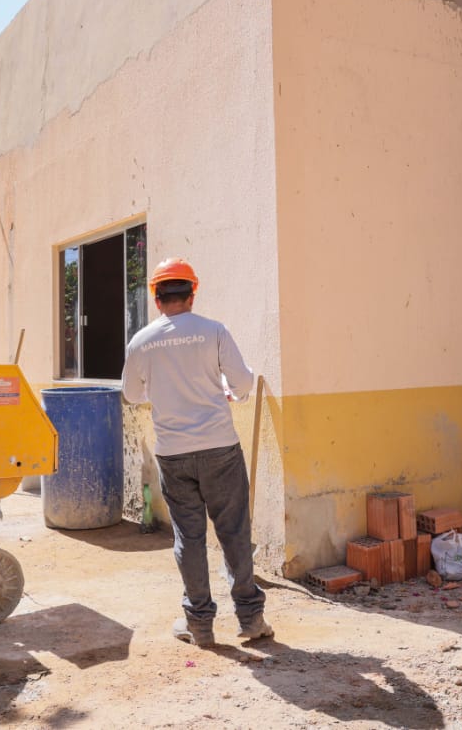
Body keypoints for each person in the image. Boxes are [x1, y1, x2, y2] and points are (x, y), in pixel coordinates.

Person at [121, 257, 273, 647]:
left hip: (173, 453)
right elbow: (242, 383)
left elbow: (132, 394)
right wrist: (230, 392)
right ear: (192, 294)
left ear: (156, 298)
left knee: (189, 537)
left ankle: (200, 625)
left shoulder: (141, 341)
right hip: (220, 447)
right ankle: (251, 620)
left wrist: (163, 392)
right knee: (233, 531)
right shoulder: (213, 332)